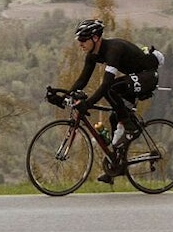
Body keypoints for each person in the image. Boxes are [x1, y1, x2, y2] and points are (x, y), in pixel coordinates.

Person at [64, 19, 164, 184]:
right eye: (78, 40)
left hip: (147, 76)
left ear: (95, 38)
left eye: (83, 40)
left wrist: (87, 104)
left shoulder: (113, 49)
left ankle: (131, 127)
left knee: (111, 89)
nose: (80, 44)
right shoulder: (92, 56)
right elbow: (82, 80)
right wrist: (64, 96)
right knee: (114, 118)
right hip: (134, 78)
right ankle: (116, 166)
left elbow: (106, 84)